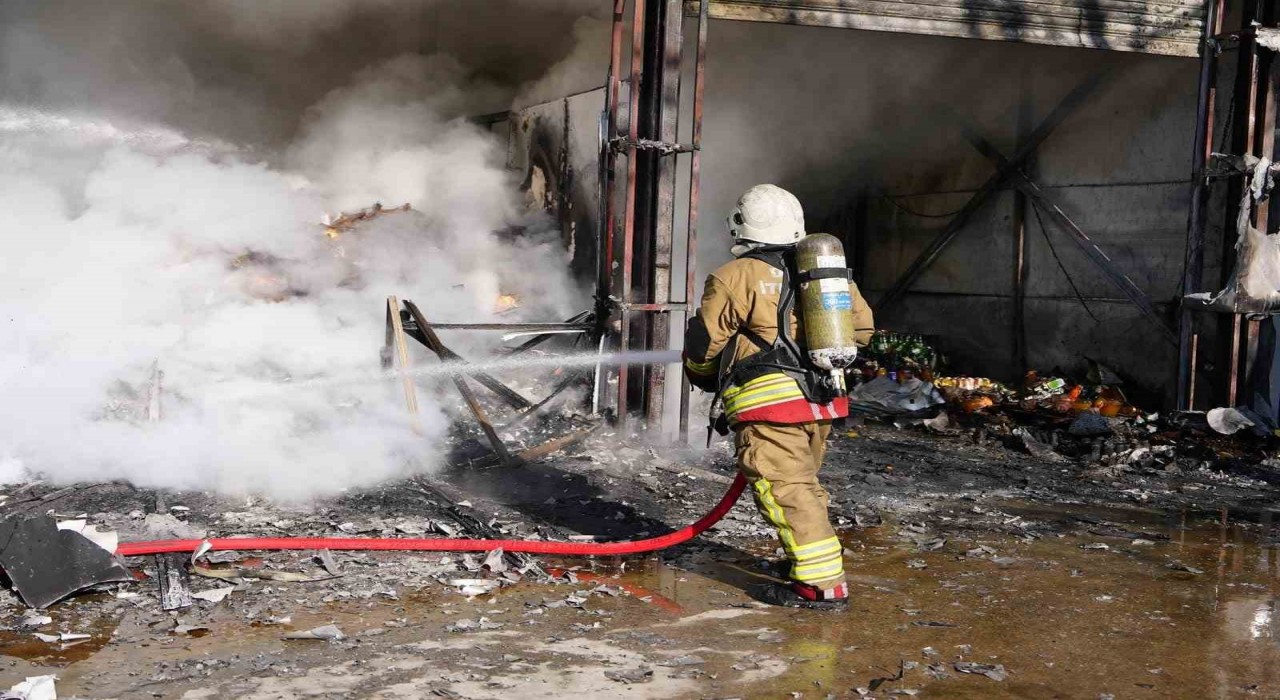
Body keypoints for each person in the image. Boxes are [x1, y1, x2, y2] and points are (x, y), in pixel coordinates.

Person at [683, 184, 874, 609]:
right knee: (802, 484)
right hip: (822, 401)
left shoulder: (736, 276)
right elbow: (861, 331)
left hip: (770, 405)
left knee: (785, 489)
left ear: (740, 225)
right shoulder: (825, 272)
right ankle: (810, 561)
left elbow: (706, 342)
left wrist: (701, 374)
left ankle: (821, 585)